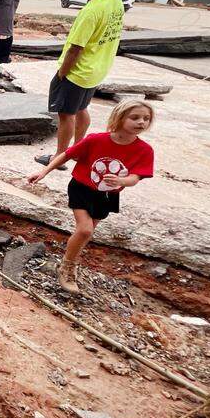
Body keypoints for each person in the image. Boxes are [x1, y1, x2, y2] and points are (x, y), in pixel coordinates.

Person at [27, 100, 155, 294]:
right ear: (120, 117)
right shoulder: (96, 140)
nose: (141, 122)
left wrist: (123, 181)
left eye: (146, 119)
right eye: (135, 117)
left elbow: (136, 177)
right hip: (81, 188)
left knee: (85, 233)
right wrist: (44, 172)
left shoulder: (144, 150)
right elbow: (66, 155)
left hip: (107, 196)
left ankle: (70, 260)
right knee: (85, 230)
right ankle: (67, 267)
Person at [35, 0, 124, 167]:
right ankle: (78, 150)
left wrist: (62, 73)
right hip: (96, 69)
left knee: (66, 114)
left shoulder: (92, 10)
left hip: (78, 71)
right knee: (81, 108)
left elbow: (76, 48)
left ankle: (59, 157)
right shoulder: (115, 2)